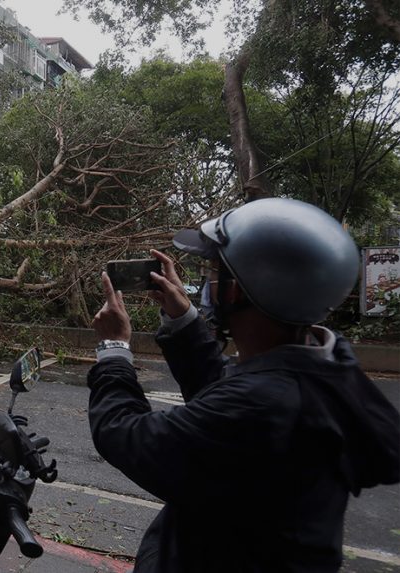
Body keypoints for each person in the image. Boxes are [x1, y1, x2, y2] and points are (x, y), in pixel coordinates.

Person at [87, 198, 400, 572]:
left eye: (216, 272)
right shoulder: (325, 369)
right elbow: (227, 389)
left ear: (236, 291)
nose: (208, 282)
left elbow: (125, 434)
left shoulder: (264, 406)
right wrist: (183, 317)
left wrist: (114, 348)